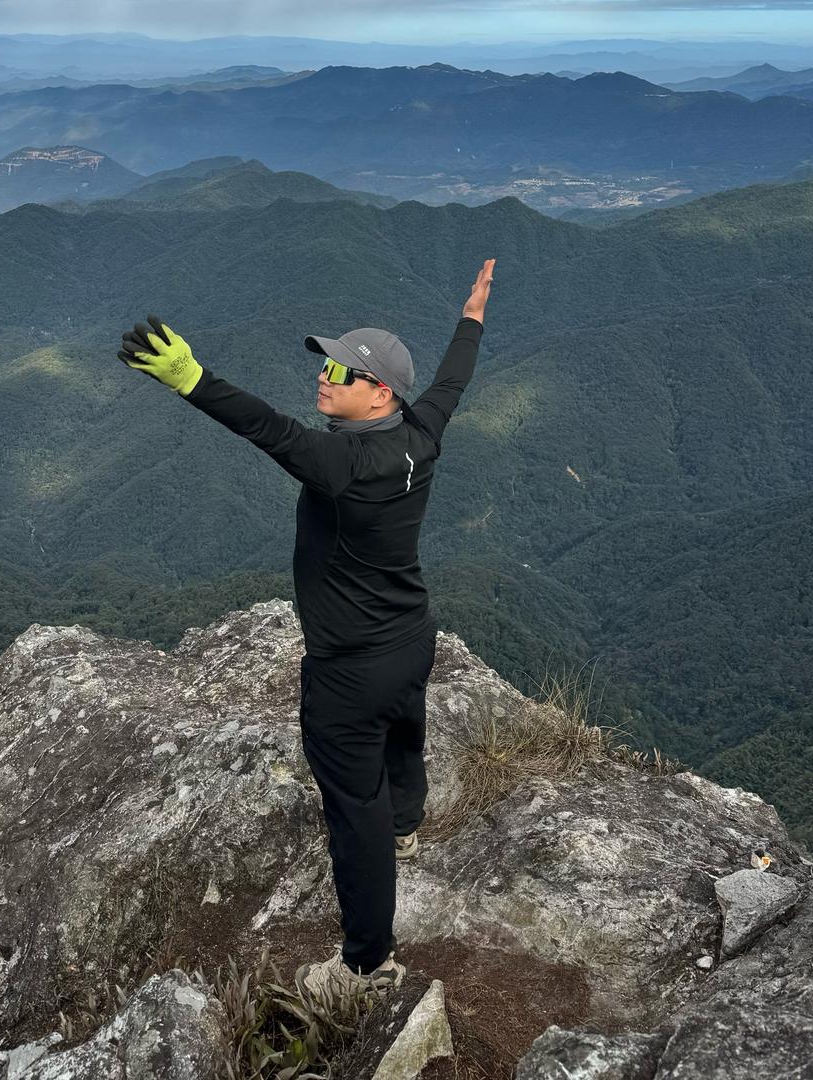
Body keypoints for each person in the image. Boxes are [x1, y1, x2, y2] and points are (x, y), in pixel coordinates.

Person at [117, 258, 495, 1005]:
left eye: (342, 371)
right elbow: (453, 379)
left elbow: (265, 427)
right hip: (410, 636)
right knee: (404, 726)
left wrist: (191, 378)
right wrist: (472, 317)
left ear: (379, 392)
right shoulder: (423, 430)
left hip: (348, 669)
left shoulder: (339, 462)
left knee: (354, 816)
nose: (325, 376)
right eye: (325, 363)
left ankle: (366, 967)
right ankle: (408, 820)